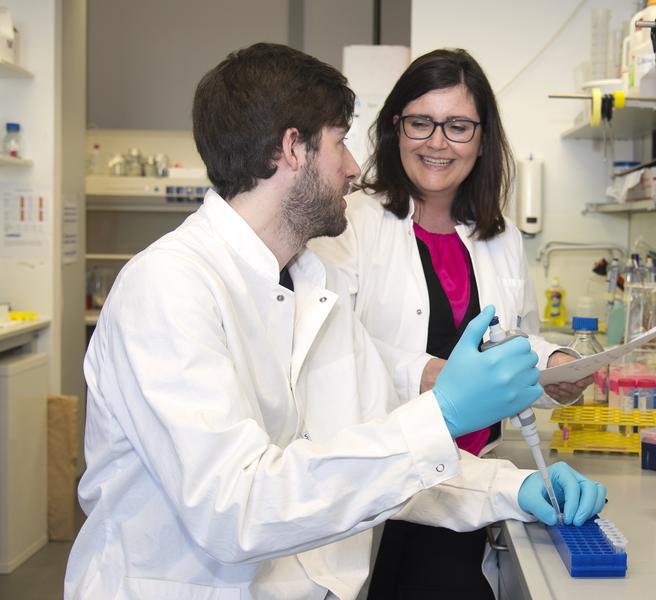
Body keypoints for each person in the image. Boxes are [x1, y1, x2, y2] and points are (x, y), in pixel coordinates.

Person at [64, 43, 606, 600]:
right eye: (340, 142)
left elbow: (381, 462)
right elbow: (235, 509)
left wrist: (515, 488)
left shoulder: (313, 292)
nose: (353, 168)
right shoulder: (168, 288)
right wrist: (441, 412)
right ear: (293, 149)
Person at [310, 49, 596, 599]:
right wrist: (436, 376)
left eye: (458, 126)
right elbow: (337, 349)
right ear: (396, 129)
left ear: (483, 139)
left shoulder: (500, 234)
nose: (437, 142)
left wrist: (553, 364)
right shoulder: (351, 223)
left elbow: (511, 337)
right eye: (421, 122)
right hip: (389, 487)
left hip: (480, 473)